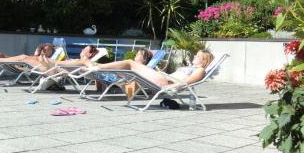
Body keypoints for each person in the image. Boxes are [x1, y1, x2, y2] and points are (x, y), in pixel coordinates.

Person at [85, 50, 214, 87]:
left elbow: (187, 82)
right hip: (163, 77)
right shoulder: (191, 67)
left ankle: (98, 66)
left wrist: (171, 87)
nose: (195, 56)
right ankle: (96, 66)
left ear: (204, 61)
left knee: (130, 63)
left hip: (167, 82)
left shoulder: (200, 70)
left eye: (198, 56)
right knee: (130, 68)